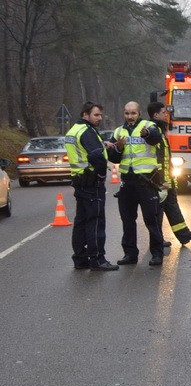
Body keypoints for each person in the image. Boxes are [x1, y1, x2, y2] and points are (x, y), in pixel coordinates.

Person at [64, 102, 119, 271]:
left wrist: (104, 145)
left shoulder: (73, 130)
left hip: (79, 181)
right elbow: (96, 157)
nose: (100, 118)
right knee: (95, 222)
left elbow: (84, 150)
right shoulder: (87, 131)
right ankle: (98, 259)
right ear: (85, 115)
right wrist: (102, 175)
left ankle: (80, 259)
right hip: (92, 182)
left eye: (101, 115)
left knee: (81, 221)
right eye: (96, 115)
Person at [111, 101, 165, 267]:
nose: (130, 116)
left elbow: (157, 139)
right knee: (127, 220)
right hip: (128, 182)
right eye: (127, 113)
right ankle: (130, 254)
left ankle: (157, 254)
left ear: (139, 113)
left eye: (133, 113)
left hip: (146, 182)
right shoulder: (118, 131)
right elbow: (113, 158)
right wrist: (117, 148)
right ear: (123, 113)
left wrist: (147, 134)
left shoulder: (149, 126)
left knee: (152, 220)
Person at [148, 101, 191, 246]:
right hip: (159, 181)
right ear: (155, 115)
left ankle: (184, 235)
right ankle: (157, 240)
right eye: (163, 113)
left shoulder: (160, 130)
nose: (167, 115)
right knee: (157, 213)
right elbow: (156, 159)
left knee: (172, 208)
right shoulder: (153, 132)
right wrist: (160, 181)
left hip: (168, 178)